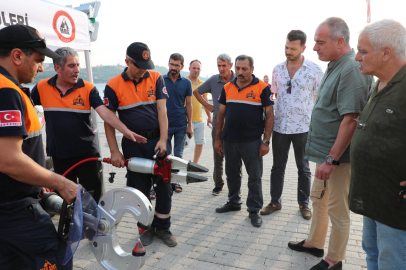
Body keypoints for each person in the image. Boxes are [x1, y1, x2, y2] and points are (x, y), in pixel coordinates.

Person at [287, 18, 373, 270]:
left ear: (340, 41)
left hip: (337, 159)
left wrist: (332, 159)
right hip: (326, 155)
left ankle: (334, 260)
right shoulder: (336, 64)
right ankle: (314, 243)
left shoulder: (350, 69)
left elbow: (351, 118)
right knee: (319, 200)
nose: (314, 47)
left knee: (337, 209)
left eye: (319, 42)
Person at [0, 24, 78, 270]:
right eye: (38, 60)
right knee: (57, 259)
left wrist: (37, 178)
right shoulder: (6, 92)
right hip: (14, 210)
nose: (41, 68)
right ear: (17, 55)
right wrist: (61, 182)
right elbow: (9, 159)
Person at [31, 47, 143, 203]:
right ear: (57, 68)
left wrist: (125, 131)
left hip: (87, 156)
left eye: (78, 65)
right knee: (65, 202)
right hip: (59, 156)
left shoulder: (88, 88)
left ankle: (93, 227)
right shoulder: (42, 87)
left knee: (93, 201)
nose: (77, 70)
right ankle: (69, 228)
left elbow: (104, 113)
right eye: (71, 66)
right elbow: (25, 110)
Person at [103, 42, 177, 247]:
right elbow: (109, 121)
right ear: (127, 61)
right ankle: (144, 229)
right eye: (139, 65)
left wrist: (163, 139)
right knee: (139, 189)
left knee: (164, 186)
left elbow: (163, 112)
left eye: (147, 64)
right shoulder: (113, 85)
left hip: (158, 141)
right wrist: (114, 151)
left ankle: (163, 228)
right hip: (133, 146)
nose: (144, 69)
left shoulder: (156, 77)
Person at [349, 19, 406, 270]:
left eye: (362, 51)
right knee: (372, 252)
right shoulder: (379, 82)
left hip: (396, 204)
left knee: (392, 261)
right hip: (374, 195)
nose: (357, 57)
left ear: (385, 53)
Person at [260, 30, 323, 220]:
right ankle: (275, 202)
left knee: (303, 168)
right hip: (280, 126)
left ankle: (304, 205)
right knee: (277, 167)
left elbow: (320, 99)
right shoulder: (277, 69)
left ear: (303, 48)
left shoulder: (314, 70)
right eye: (286, 47)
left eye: (293, 48)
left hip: (303, 127)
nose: (288, 51)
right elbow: (274, 97)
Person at [214, 55, 274, 228]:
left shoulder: (262, 88)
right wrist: (218, 139)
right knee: (232, 174)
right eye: (238, 68)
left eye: (244, 69)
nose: (240, 72)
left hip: (252, 142)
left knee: (254, 177)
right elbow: (220, 115)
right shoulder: (227, 87)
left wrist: (266, 141)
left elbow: (270, 115)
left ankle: (254, 210)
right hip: (230, 141)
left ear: (252, 69)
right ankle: (233, 202)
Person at [193, 53, 236, 196]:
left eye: (224, 65)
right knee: (218, 157)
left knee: (235, 158)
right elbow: (197, 92)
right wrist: (208, 106)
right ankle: (218, 185)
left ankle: (234, 187)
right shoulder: (213, 80)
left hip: (236, 126)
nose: (221, 68)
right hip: (219, 126)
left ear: (230, 65)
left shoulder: (239, 79)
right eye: (219, 65)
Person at [164, 53, 193, 158]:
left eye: (177, 65)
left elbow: (189, 105)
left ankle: (175, 174)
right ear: (168, 64)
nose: (173, 67)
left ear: (182, 67)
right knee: (165, 155)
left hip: (181, 124)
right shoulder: (161, 80)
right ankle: (166, 175)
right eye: (172, 64)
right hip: (164, 124)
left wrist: (189, 126)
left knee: (178, 156)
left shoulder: (187, 83)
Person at [185, 59, 211, 164]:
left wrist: (209, 117)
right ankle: (181, 165)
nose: (196, 70)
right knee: (184, 145)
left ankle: (195, 164)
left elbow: (205, 102)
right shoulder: (184, 81)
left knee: (200, 143)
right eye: (194, 68)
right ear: (189, 69)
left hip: (199, 120)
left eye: (198, 68)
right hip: (186, 120)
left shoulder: (203, 84)